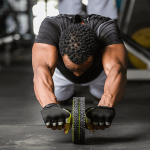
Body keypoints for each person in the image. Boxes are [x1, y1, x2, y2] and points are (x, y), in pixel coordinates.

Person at [32, 14, 127, 134]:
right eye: (73, 69)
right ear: (60, 47)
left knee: (100, 99)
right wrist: (49, 105)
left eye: (82, 69)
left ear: (96, 48)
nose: (78, 75)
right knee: (60, 101)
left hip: (98, 73)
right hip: (62, 74)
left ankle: (93, 92)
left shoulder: (106, 28)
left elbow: (117, 69)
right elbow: (40, 69)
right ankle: (68, 92)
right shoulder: (51, 26)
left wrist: (105, 105)